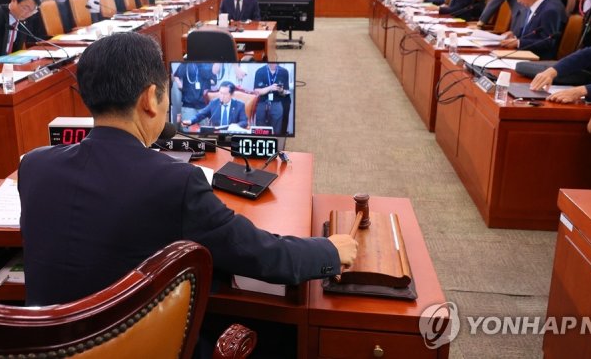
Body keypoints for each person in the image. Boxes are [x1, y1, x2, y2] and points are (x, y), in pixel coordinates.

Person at [18, 33, 357, 307]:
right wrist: (328, 251)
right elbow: (258, 254)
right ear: (151, 99)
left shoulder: (34, 166)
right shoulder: (175, 182)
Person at [499, 0, 567, 60]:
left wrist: (518, 43)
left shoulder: (550, 10)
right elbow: (530, 33)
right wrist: (514, 36)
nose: (518, 1)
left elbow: (548, 42)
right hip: (524, 54)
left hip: (537, 59)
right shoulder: (532, 7)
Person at [182, 81, 248, 129]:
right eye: (220, 93)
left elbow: (244, 121)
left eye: (224, 94)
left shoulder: (239, 105)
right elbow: (200, 115)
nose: (221, 96)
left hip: (231, 135)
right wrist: (190, 121)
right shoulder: (214, 103)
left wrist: (236, 125)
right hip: (216, 134)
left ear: (232, 95)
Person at [254, 63, 290, 134]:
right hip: (262, 103)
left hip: (277, 103)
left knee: (277, 130)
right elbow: (257, 91)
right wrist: (270, 88)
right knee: (261, 130)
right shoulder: (260, 71)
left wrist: (281, 91)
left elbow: (286, 91)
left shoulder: (284, 72)